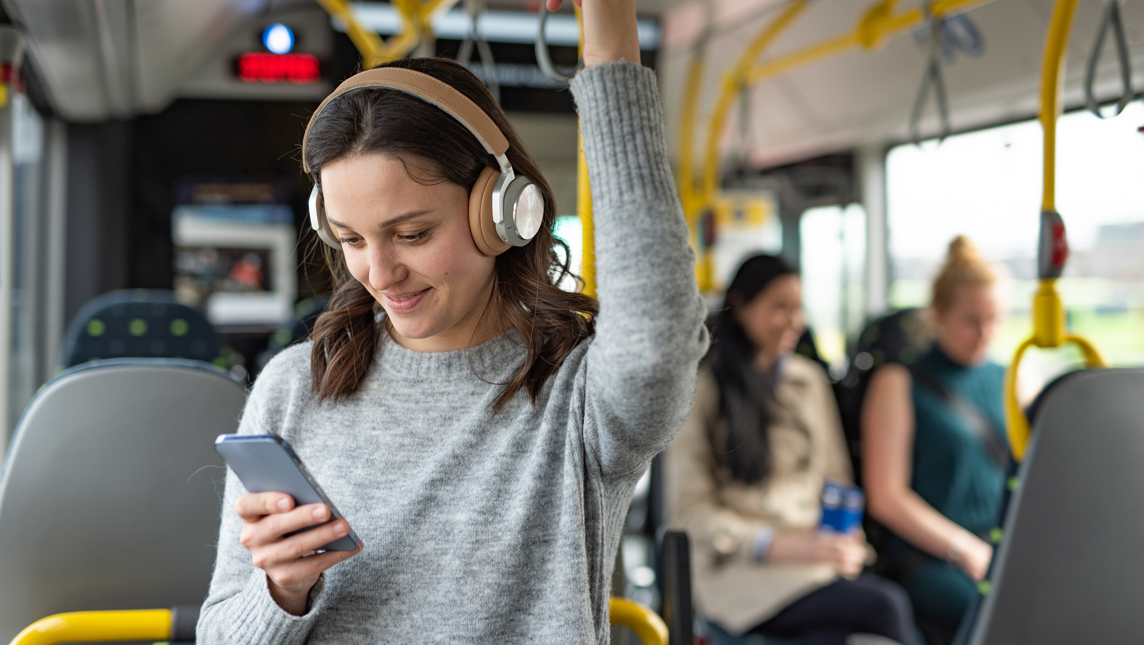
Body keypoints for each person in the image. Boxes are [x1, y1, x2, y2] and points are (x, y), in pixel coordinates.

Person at [195, 1, 710, 642]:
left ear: (503, 212)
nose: (379, 273)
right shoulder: (296, 385)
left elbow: (660, 339)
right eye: (351, 238)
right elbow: (220, 632)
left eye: (411, 233)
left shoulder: (577, 397)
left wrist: (610, 36)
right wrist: (281, 592)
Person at [667, 255, 917, 645]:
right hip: (742, 570)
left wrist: (844, 542)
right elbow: (690, 511)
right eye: (779, 307)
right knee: (885, 607)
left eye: (798, 308)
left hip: (813, 562)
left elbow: (835, 480)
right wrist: (781, 546)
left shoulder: (809, 381)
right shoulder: (701, 390)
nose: (794, 322)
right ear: (742, 305)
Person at [862, 236, 1007, 638]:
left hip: (999, 547)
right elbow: (887, 497)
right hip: (932, 556)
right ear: (939, 314)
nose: (985, 333)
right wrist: (964, 550)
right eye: (971, 321)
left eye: (995, 319)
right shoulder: (899, 382)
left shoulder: (1011, 380)